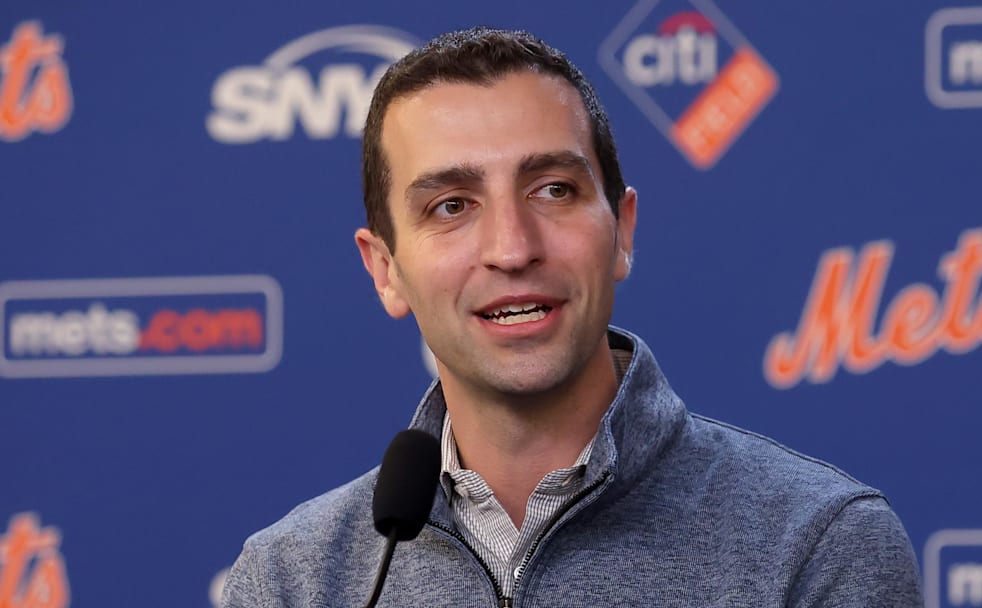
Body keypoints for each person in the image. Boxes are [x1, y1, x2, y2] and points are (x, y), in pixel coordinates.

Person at [222, 27, 922, 607]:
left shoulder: (818, 544)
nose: (512, 248)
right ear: (385, 270)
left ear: (622, 231)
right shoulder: (291, 580)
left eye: (554, 189)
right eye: (451, 206)